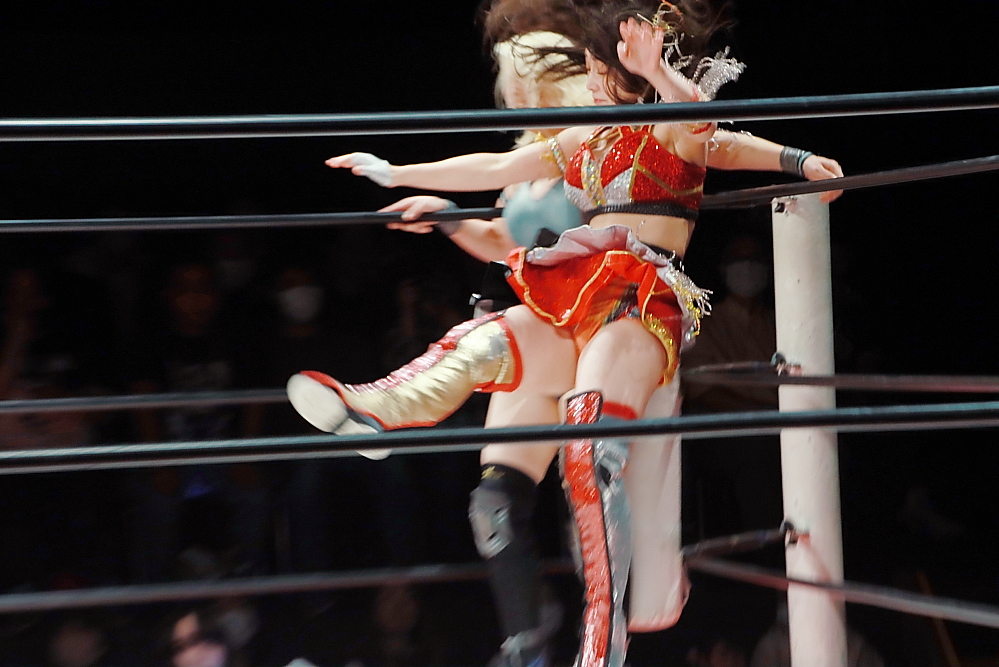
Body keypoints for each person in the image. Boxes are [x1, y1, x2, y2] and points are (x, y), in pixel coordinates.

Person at [287, 3, 841, 666]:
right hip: (576, 294)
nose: (592, 83)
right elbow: (494, 168)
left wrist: (795, 157)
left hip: (640, 306)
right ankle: (377, 411)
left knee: (586, 451)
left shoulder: (673, 127)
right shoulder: (584, 138)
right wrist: (399, 171)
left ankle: (599, 644)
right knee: (487, 339)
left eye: (601, 70)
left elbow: (705, 125)